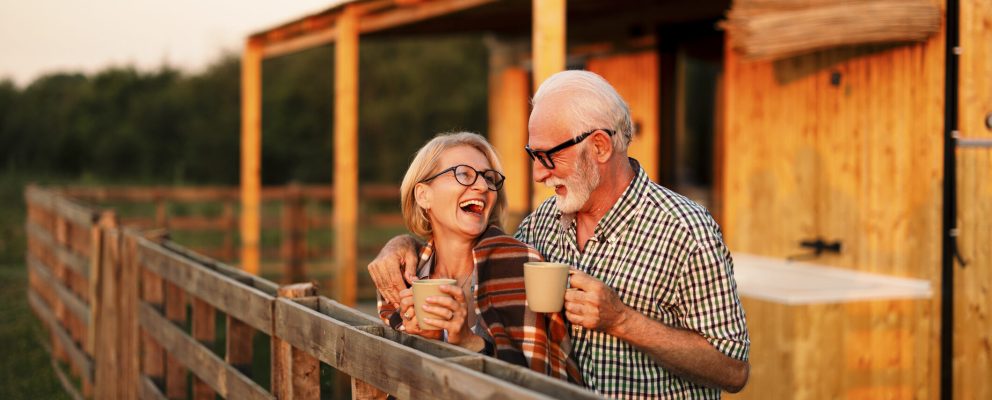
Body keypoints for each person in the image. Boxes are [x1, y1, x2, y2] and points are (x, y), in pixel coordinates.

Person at [369, 71, 750, 398]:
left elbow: (733, 370)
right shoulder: (541, 224)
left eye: (548, 156)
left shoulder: (685, 229)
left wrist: (622, 321)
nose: (538, 174)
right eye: (532, 156)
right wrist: (402, 245)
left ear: (599, 146)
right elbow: (467, 249)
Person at [376, 131, 582, 383]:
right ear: (423, 195)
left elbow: (545, 381)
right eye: (463, 174)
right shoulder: (401, 277)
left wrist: (468, 342)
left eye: (489, 177)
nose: (483, 186)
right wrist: (424, 340)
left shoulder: (522, 266)